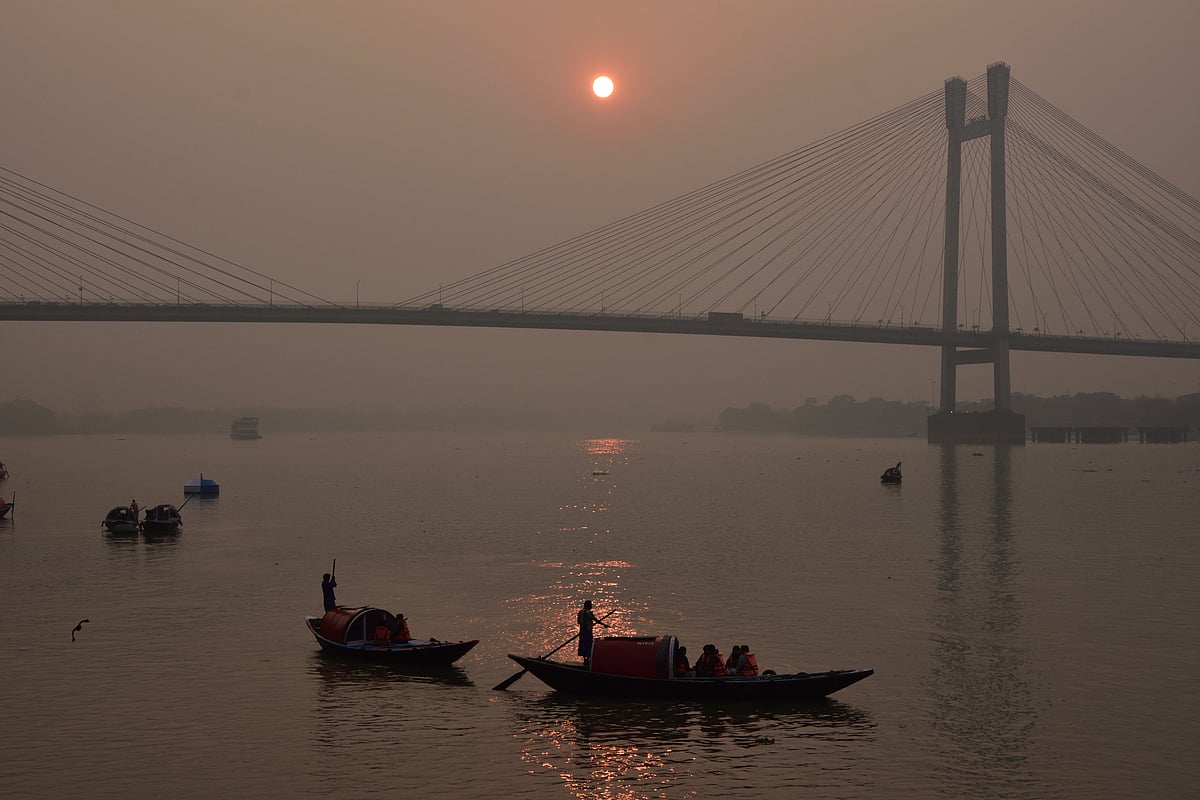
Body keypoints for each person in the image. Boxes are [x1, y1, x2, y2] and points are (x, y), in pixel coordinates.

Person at [577, 600, 609, 664]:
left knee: (583, 643)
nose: (591, 606)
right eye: (590, 605)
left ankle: (585, 659)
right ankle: (588, 659)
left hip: (582, 632)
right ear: (588, 605)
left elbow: (578, 622)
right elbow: (595, 619)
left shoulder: (580, 612)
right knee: (588, 644)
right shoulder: (589, 612)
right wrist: (604, 625)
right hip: (587, 631)